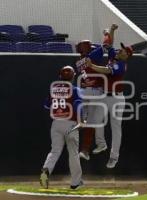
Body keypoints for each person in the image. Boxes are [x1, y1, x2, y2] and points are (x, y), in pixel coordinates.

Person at [84, 42, 133, 168]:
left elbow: (106, 70)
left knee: (116, 128)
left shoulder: (122, 65)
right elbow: (109, 44)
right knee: (96, 121)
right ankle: (101, 144)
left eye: (123, 51)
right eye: (120, 49)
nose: (119, 51)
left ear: (126, 55)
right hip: (105, 95)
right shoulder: (114, 56)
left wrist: (91, 65)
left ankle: (114, 157)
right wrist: (111, 30)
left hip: (117, 98)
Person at [76, 24, 118, 161]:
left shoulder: (77, 62)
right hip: (95, 92)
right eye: (90, 47)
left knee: (89, 121)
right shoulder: (92, 56)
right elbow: (107, 44)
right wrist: (107, 32)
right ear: (87, 49)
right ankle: (86, 149)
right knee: (93, 122)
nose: (92, 48)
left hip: (84, 93)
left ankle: (88, 148)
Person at [40, 66, 83, 189]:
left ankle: (45, 172)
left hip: (56, 123)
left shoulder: (54, 89)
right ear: (73, 76)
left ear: (60, 76)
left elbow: (47, 106)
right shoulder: (75, 90)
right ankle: (75, 183)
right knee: (73, 153)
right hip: (71, 124)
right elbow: (78, 104)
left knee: (54, 151)